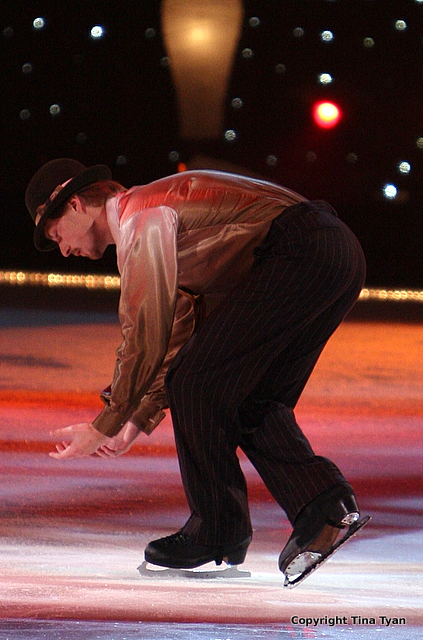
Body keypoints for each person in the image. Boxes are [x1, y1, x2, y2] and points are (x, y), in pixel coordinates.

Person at [25, 158, 367, 585]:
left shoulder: (142, 218)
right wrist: (135, 418)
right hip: (333, 253)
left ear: (75, 205)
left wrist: (106, 422)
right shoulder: (152, 219)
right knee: (247, 399)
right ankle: (325, 508)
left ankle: (217, 529)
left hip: (302, 251)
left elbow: (145, 331)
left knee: (196, 383)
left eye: (57, 235)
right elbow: (177, 330)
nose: (63, 250)